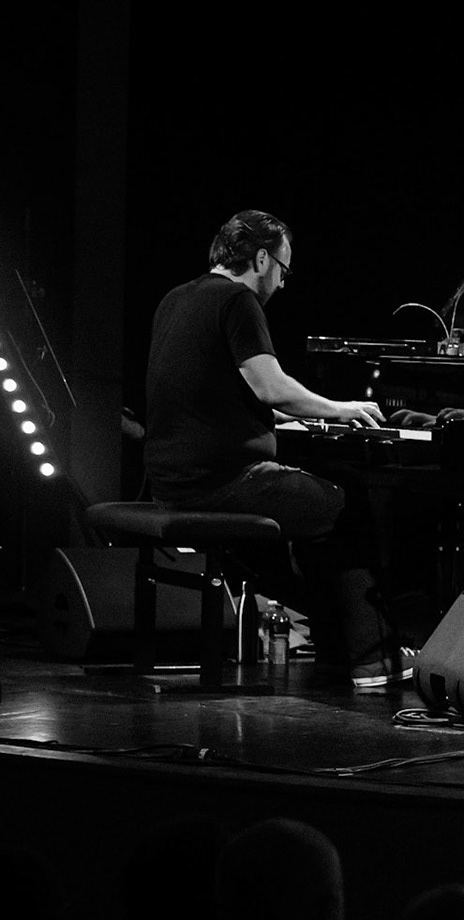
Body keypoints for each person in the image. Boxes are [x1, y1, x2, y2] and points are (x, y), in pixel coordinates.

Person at [143, 209, 412, 689]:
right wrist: (339, 408)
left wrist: (289, 417)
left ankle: (334, 650)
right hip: (221, 484)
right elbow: (270, 387)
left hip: (170, 482)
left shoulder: (175, 299)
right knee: (346, 505)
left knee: (316, 505)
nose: (284, 284)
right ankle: (373, 659)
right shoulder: (237, 300)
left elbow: (209, 396)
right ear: (262, 259)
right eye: (284, 271)